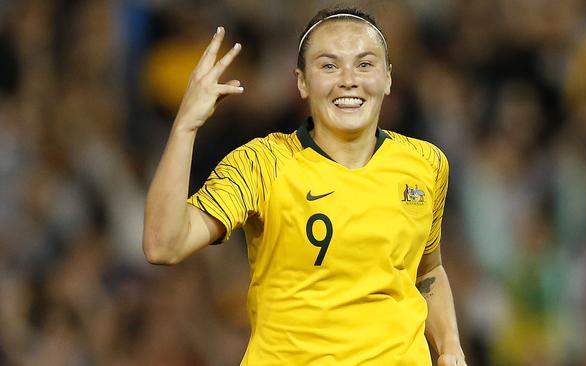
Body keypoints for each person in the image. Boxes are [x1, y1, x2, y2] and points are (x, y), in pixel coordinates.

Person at [143, 7, 466, 366]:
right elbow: (163, 245)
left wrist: (450, 344)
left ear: (388, 78)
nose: (348, 79)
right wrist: (186, 125)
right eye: (329, 66)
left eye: (365, 64)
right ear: (301, 82)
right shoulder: (261, 164)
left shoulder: (426, 163)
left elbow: (427, 269)